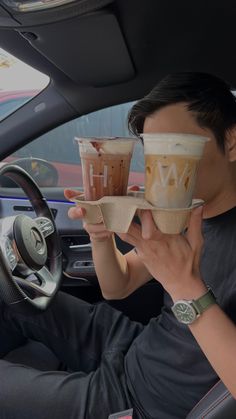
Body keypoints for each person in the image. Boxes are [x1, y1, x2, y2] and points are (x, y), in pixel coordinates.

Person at [1, 72, 236, 419]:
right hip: (128, 344)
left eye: (176, 145)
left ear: (231, 142)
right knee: (13, 293)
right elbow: (118, 285)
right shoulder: (184, 216)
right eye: (153, 151)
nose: (162, 168)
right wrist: (100, 234)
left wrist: (185, 287)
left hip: (137, 400)